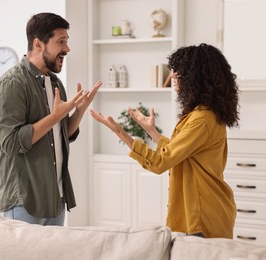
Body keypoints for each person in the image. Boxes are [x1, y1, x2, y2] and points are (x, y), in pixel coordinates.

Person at [90, 43, 239, 238]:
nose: (174, 79)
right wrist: (152, 131)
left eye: (178, 74)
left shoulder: (202, 119)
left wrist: (121, 133)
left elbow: (161, 162)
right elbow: (182, 154)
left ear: (194, 78)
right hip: (205, 212)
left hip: (202, 217)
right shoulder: (203, 114)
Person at [0, 12, 102, 226]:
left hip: (55, 198)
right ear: (38, 44)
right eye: (61, 42)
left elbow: (62, 135)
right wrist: (55, 116)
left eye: (67, 42)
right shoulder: (11, 84)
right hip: (24, 201)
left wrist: (79, 111)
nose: (67, 49)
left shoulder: (56, 83)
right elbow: (11, 143)